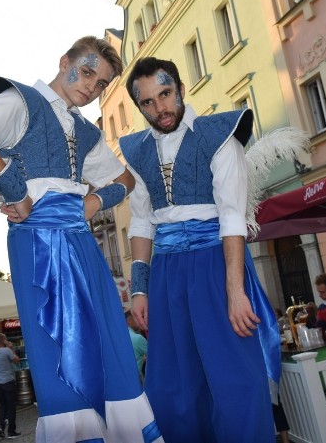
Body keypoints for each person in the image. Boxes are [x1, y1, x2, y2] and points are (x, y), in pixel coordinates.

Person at [0, 36, 160, 442]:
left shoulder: (85, 130)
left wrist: (95, 200)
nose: (90, 86)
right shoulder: (22, 100)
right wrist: (16, 193)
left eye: (100, 84)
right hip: (37, 238)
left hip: (80, 238)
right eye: (85, 72)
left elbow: (126, 179)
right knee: (55, 344)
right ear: (64, 60)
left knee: (108, 337)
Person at [119, 57, 281, 442]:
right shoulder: (137, 151)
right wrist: (139, 290)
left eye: (165, 94)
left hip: (216, 265)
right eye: (148, 102)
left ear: (180, 89)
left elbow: (231, 217)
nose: (160, 108)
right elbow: (142, 223)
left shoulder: (218, 133)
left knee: (236, 379)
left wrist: (236, 290)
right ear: (139, 107)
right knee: (173, 385)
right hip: (166, 273)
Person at [0, 334, 20, 439]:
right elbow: (17, 361)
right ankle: (11, 431)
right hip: (8, 382)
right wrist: (11, 348)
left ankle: (0, 427)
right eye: (6, 339)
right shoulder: (6, 351)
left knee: (3, 406)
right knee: (11, 407)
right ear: (3, 341)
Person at [124, 309, 148, 381]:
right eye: (139, 318)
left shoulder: (119, 336)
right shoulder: (137, 338)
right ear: (129, 320)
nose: (142, 321)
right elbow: (155, 357)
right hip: (136, 379)